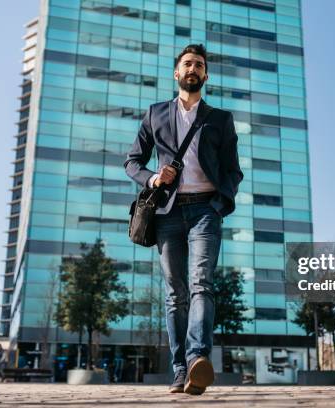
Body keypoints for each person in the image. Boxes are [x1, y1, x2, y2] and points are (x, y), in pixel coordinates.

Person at [124, 44, 243, 395]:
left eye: (199, 65)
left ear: (205, 76)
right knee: (176, 293)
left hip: (206, 210)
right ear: (176, 73)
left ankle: (197, 360)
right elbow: (131, 161)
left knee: (201, 283)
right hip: (167, 213)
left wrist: (221, 203)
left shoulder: (220, 119)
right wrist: (153, 178)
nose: (193, 69)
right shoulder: (155, 113)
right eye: (187, 64)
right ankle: (180, 371)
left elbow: (233, 171)